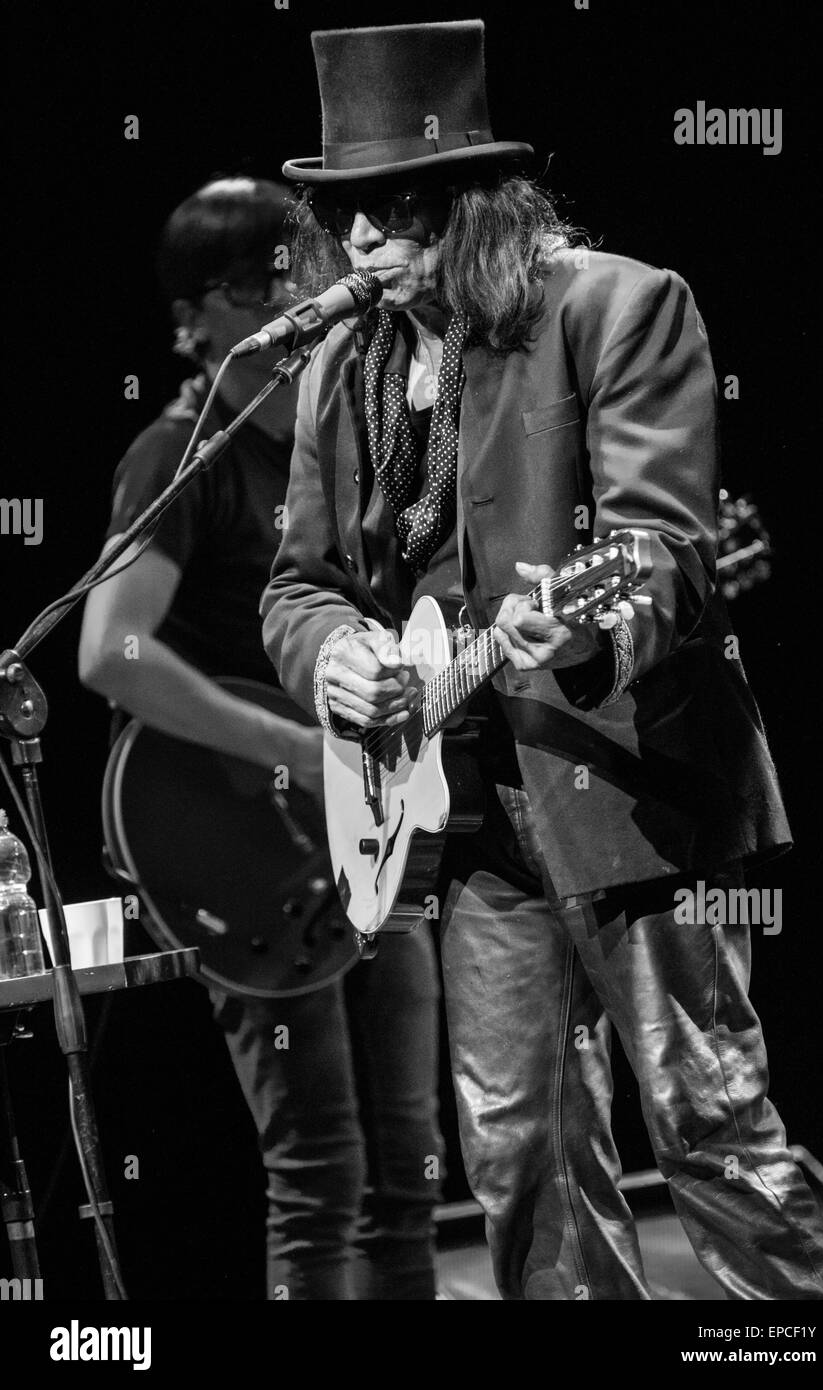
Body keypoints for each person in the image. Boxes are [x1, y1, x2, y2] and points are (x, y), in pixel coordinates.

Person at [261, 21, 823, 1301]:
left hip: (631, 791)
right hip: (468, 817)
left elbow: (665, 551)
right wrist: (331, 665)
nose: (361, 240)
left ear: (472, 199)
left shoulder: (614, 305)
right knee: (516, 1151)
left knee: (705, 1125)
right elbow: (298, 586)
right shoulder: (335, 373)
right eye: (340, 214)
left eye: (392, 206)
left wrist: (590, 616)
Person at [78, 176, 443, 1300]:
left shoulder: (356, 439)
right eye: (284, 275)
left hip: (371, 831)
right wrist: (291, 748)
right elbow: (109, 652)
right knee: (321, 1173)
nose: (325, 285)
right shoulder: (178, 453)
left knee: (411, 1178)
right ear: (214, 308)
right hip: (248, 841)